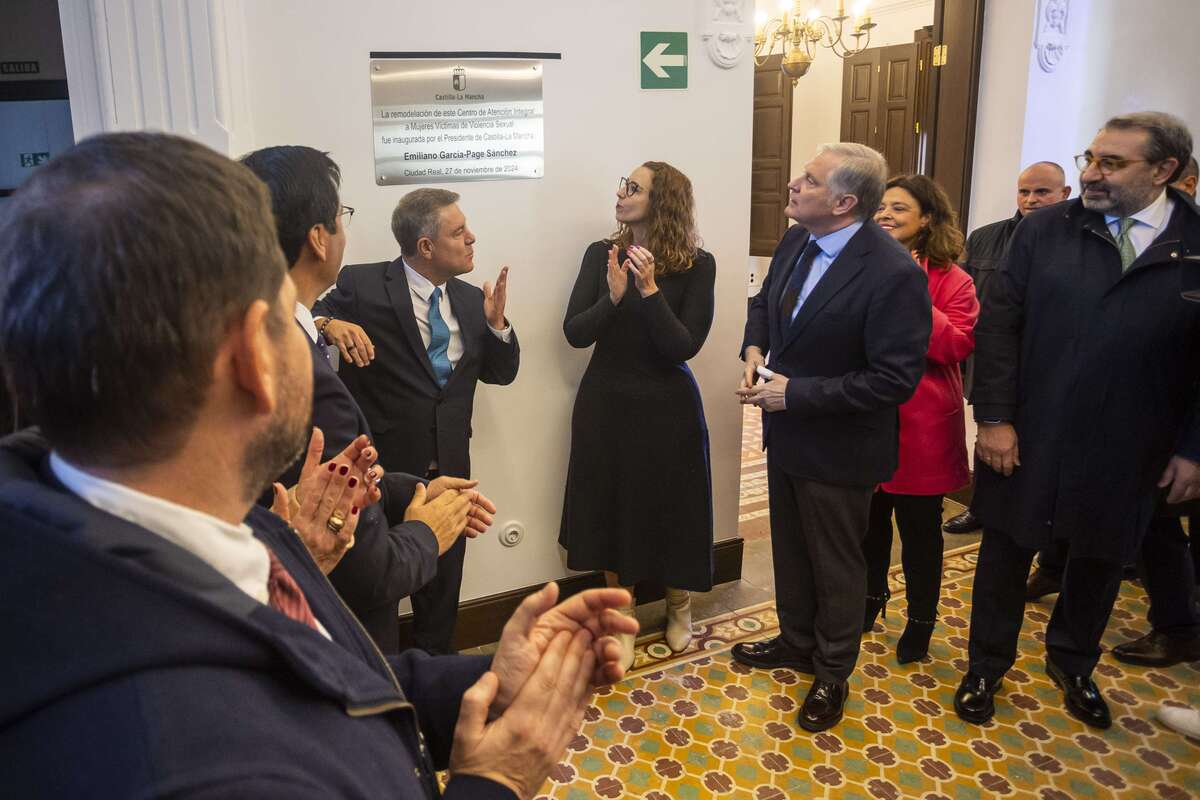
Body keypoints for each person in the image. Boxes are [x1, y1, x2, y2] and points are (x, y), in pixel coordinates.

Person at [0, 131, 637, 799]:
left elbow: (334, 682)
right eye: (291, 316)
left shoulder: (254, 524)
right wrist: (496, 781)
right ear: (255, 356)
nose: (311, 334)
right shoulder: (192, 765)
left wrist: (486, 681)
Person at [954, 112, 1200, 732]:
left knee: (1099, 556)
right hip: (1031, 432)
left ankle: (1073, 662)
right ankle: (985, 665)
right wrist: (995, 419)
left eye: (1111, 163)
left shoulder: (1194, 242)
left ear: (1165, 170)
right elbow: (999, 327)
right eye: (1089, 157)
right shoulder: (1044, 232)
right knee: (1007, 553)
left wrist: (1193, 449)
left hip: (1133, 443)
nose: (1090, 172)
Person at [241, 145, 497, 652]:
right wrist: (428, 529)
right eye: (341, 217)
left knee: (439, 609)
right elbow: (371, 573)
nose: (471, 238)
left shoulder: (248, 337)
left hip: (416, 473)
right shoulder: (307, 366)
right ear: (318, 238)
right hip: (336, 619)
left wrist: (403, 490)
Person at [733, 143, 931, 732]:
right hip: (787, 434)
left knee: (837, 563)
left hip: (842, 447)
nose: (793, 185)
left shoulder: (892, 273)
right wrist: (752, 349)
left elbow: (893, 380)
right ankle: (795, 640)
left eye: (809, 181)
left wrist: (795, 394)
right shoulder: (797, 240)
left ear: (844, 202)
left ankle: (832, 670)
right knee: (791, 548)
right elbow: (764, 303)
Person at [314, 188, 520, 654]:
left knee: (441, 596)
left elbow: (502, 374)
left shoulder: (470, 300)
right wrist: (332, 326)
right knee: (376, 597)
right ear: (425, 246)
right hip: (382, 476)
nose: (472, 238)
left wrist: (496, 326)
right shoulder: (363, 284)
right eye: (458, 231)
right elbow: (306, 314)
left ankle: (436, 685)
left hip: (450, 469)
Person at [560, 162, 716, 669]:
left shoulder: (698, 264)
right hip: (606, 401)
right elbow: (576, 332)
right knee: (612, 507)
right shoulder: (600, 254)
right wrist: (613, 297)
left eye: (633, 188)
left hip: (667, 406)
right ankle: (621, 617)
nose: (621, 193)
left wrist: (649, 292)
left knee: (670, 507)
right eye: (622, 184)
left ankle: (678, 604)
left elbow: (681, 347)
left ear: (661, 200)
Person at [862, 174, 978, 664]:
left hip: (923, 427)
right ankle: (870, 603)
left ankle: (922, 621)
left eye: (899, 208)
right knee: (868, 527)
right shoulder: (859, 267)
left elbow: (954, 344)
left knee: (921, 535)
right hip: (866, 419)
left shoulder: (954, 279)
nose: (885, 214)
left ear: (927, 218)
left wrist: (912, 288)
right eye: (881, 207)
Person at [943, 161, 1071, 536]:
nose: (1030, 200)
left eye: (1041, 192)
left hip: (1047, 365)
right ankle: (981, 509)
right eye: (1024, 191)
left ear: (1064, 194)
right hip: (991, 358)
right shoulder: (984, 238)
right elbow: (962, 295)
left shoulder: (1077, 241)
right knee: (989, 437)